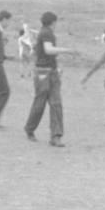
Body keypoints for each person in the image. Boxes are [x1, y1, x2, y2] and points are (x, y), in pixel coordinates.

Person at [24, 10, 74, 147]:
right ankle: (31, 129)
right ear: (53, 22)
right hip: (44, 73)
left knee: (55, 103)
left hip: (49, 71)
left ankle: (55, 135)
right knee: (43, 103)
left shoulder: (44, 32)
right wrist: (66, 50)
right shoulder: (47, 33)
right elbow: (48, 50)